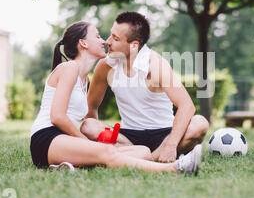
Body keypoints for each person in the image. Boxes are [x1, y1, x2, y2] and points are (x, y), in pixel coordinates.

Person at [29, 21, 202, 174]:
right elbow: (57, 117)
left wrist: (92, 146)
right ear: (83, 43)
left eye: (112, 37)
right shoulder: (70, 68)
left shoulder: (83, 78)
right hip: (47, 138)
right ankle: (174, 168)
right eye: (97, 36)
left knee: (142, 152)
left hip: (65, 140)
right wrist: (88, 143)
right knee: (106, 152)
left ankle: (75, 165)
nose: (104, 40)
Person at [81, 12, 209, 163]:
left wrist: (171, 145)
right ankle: (142, 158)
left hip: (163, 135)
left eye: (115, 39)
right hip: (127, 138)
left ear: (134, 45)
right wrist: (94, 142)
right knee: (88, 126)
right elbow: (91, 108)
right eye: (110, 35)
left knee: (200, 123)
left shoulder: (155, 65)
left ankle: (143, 158)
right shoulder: (105, 66)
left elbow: (187, 106)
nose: (108, 41)